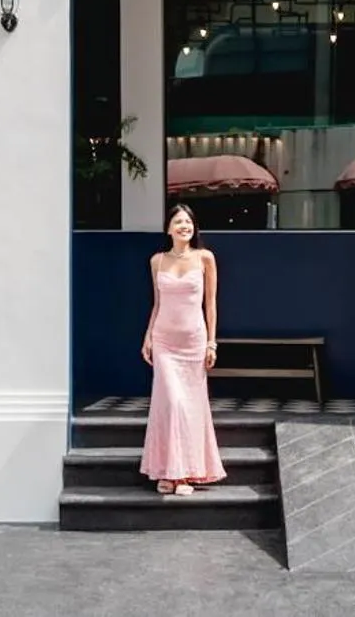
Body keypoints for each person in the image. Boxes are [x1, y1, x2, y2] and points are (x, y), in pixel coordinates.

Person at [140, 204, 225, 495]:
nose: (184, 226)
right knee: (170, 403)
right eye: (178, 221)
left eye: (188, 221)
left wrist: (212, 342)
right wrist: (148, 336)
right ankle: (168, 471)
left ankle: (184, 474)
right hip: (164, 340)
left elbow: (210, 304)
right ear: (168, 228)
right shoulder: (157, 261)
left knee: (190, 406)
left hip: (193, 342)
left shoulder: (205, 258)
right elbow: (158, 304)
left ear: (194, 227)